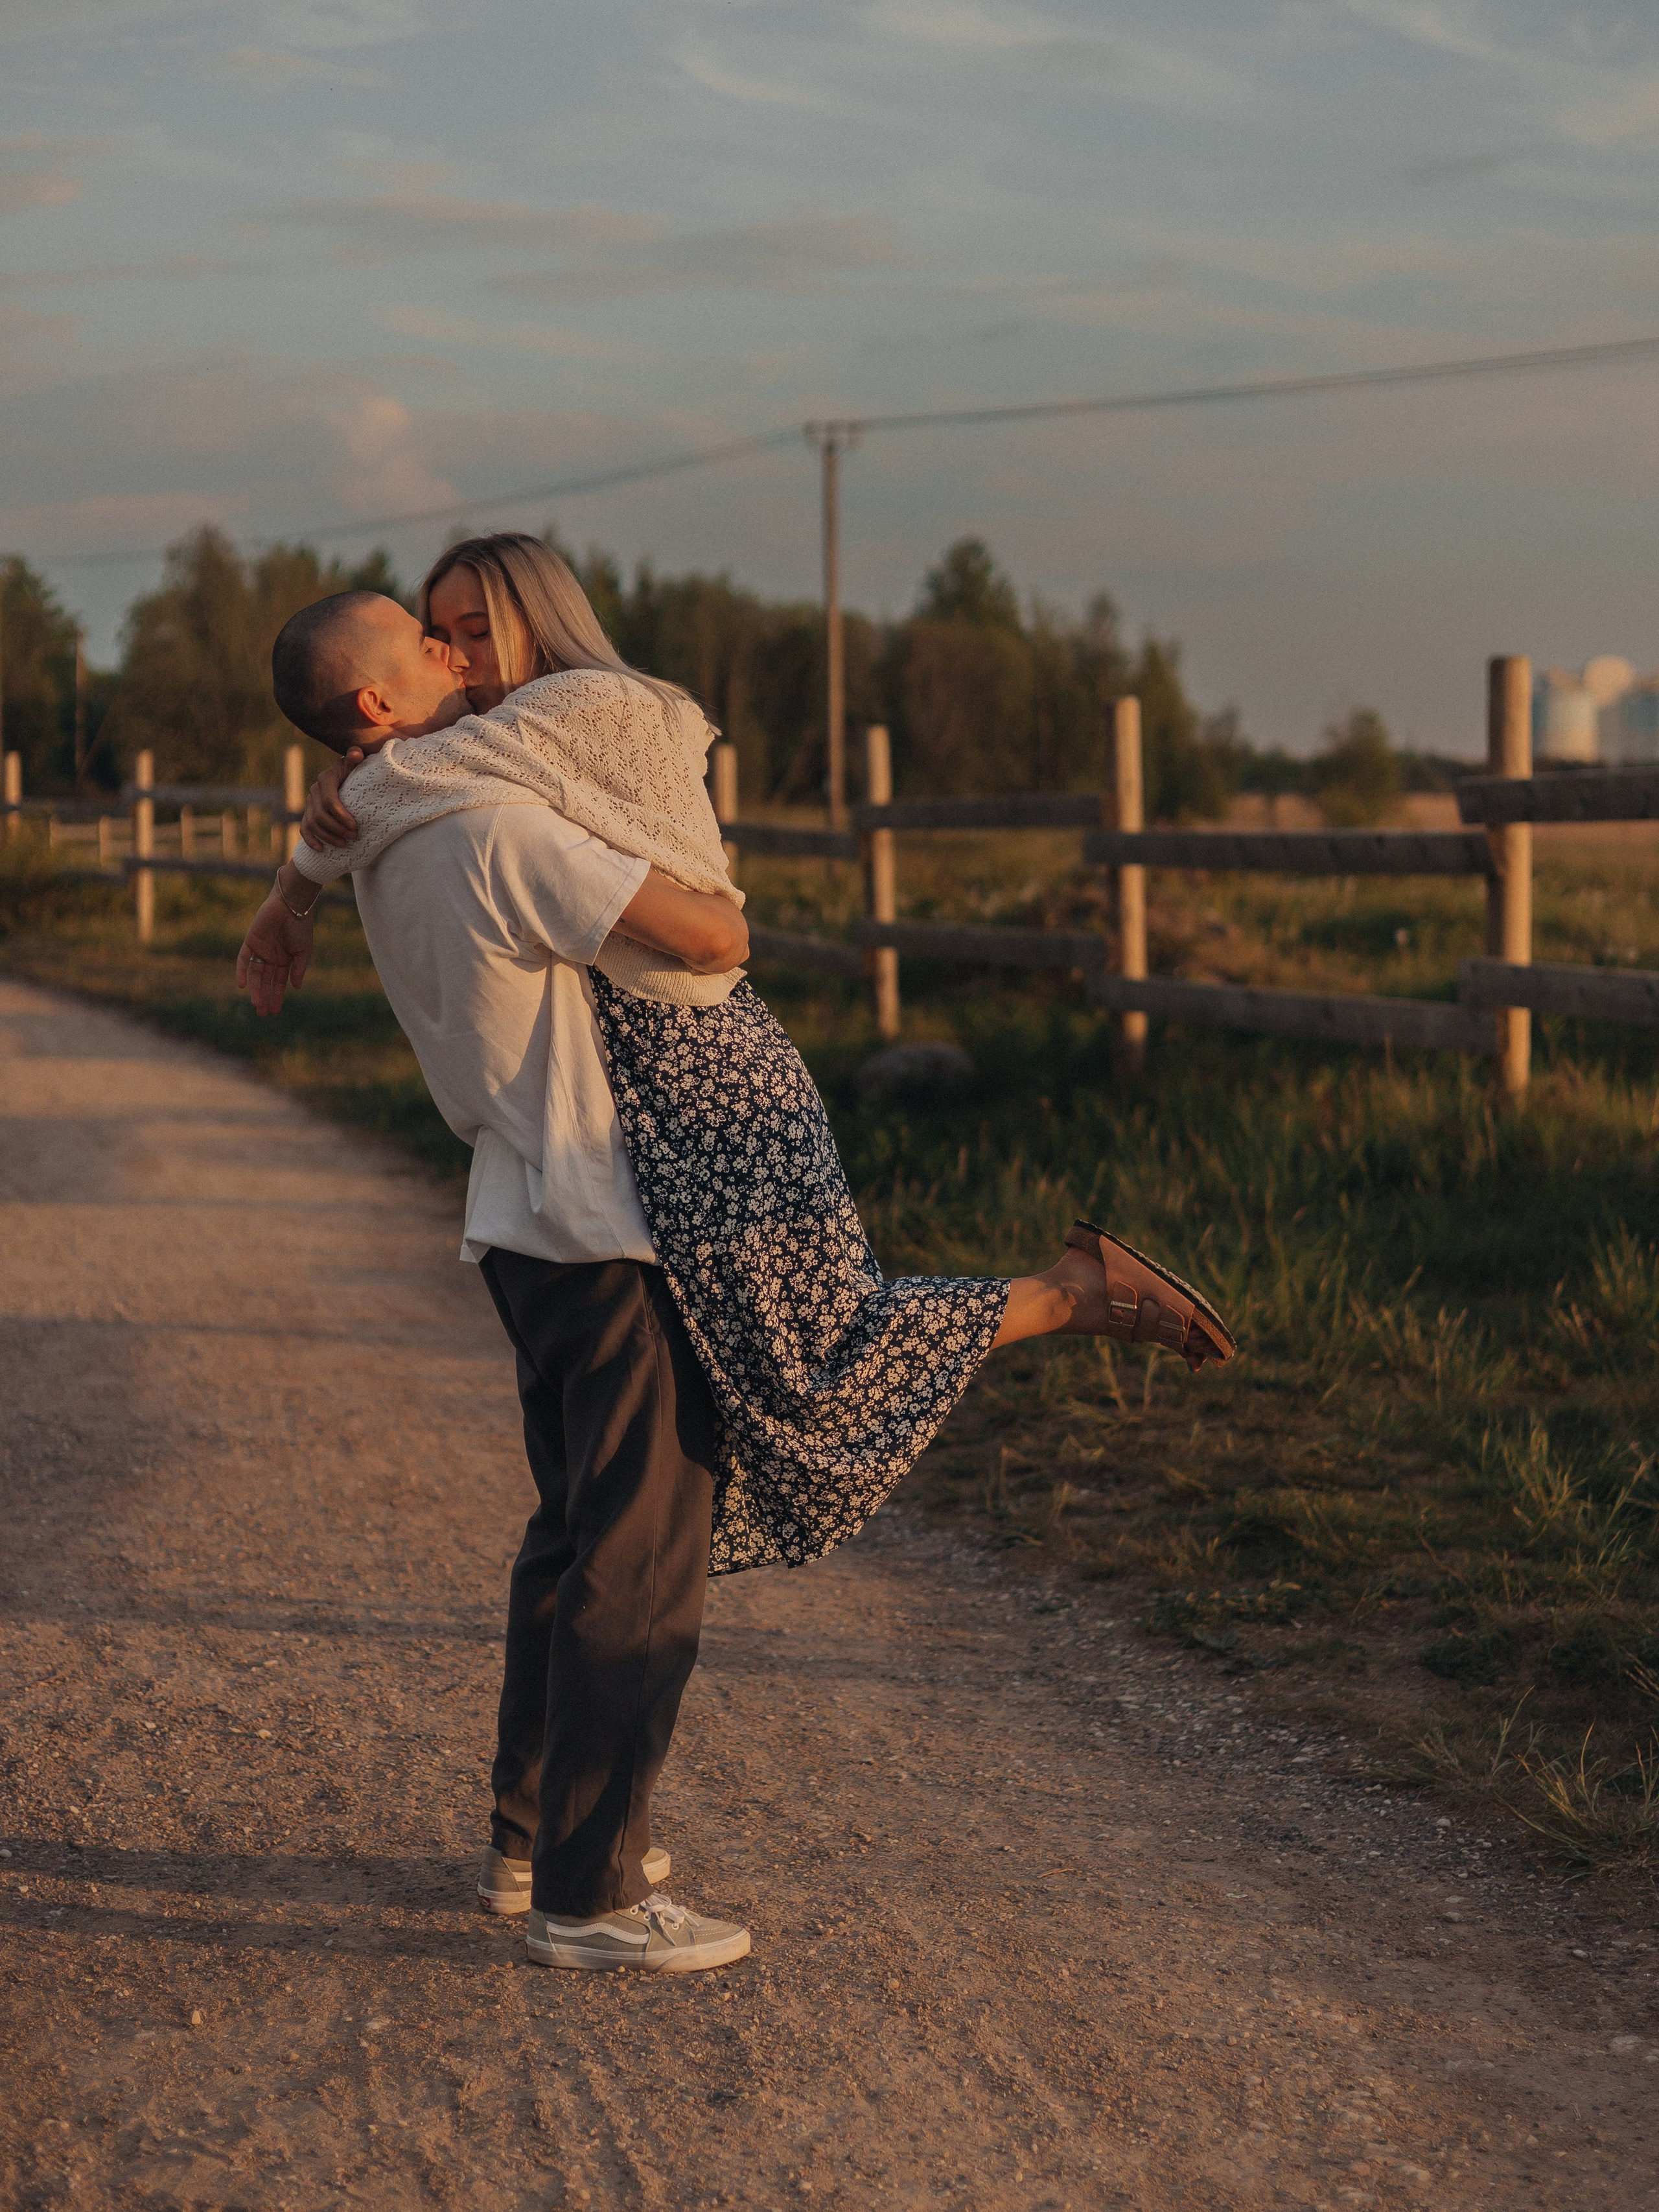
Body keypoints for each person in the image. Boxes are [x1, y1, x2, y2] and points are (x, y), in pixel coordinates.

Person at [236, 548, 1233, 1975]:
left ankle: (530, 1842)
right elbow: (716, 933)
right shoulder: (496, 828)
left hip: (521, 1227)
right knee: (638, 1565)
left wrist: (290, 889)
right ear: (382, 705)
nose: (456, 658)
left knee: (573, 1541)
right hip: (608, 1228)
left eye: (464, 635)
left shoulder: (388, 827)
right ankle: (592, 1893)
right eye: (427, 643)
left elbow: (346, 841)